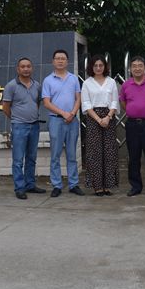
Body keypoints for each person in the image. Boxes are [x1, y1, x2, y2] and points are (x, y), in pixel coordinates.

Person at [42, 49, 85, 197]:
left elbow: (78, 98)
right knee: (55, 155)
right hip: (56, 121)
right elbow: (46, 103)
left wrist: (72, 113)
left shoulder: (73, 79)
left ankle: (74, 184)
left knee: (72, 154)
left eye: (63, 58)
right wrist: (63, 113)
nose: (60, 61)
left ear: (67, 61)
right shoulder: (48, 80)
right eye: (57, 58)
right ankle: (57, 185)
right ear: (53, 61)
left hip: (72, 121)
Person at [2, 58, 46, 200]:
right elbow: (5, 108)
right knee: (18, 160)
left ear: (31, 68)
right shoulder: (11, 86)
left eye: (28, 66)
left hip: (34, 126)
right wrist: (17, 119)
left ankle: (30, 185)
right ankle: (19, 188)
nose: (26, 69)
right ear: (18, 69)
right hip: (19, 126)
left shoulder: (37, 85)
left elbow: (37, 103)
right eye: (23, 67)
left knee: (31, 158)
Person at [119, 56, 145, 198]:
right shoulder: (126, 85)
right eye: (134, 66)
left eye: (140, 65)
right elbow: (123, 103)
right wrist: (134, 110)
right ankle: (135, 186)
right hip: (132, 125)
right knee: (133, 157)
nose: (137, 68)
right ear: (130, 69)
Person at [81, 54, 119, 196]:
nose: (98, 68)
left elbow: (114, 101)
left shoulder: (111, 82)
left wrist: (108, 117)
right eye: (95, 65)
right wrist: (98, 119)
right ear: (91, 67)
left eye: (101, 65)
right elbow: (86, 104)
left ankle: (108, 185)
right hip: (93, 118)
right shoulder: (87, 83)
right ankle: (97, 186)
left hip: (109, 117)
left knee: (109, 152)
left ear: (105, 67)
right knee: (95, 153)